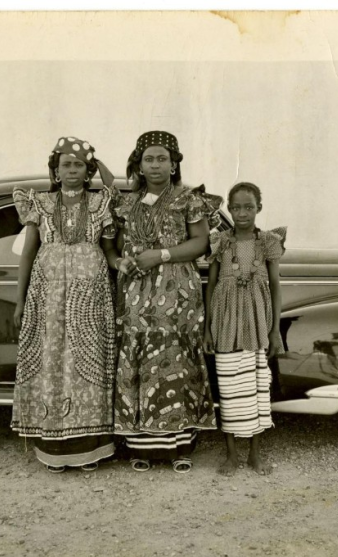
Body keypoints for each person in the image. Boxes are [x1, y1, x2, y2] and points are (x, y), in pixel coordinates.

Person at [99, 131, 222, 473]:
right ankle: (141, 445)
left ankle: (179, 445)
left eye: (162, 159)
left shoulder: (189, 199)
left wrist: (162, 255)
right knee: (138, 357)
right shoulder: (127, 202)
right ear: (138, 164)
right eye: (148, 159)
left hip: (177, 292)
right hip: (135, 294)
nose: (155, 165)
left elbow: (200, 243)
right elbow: (113, 248)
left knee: (174, 358)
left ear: (174, 163)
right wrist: (120, 262)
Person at [11, 136, 117, 473]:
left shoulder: (101, 203)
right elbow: (28, 252)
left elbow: (118, 198)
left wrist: (99, 165)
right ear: (55, 171)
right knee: (53, 363)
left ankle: (91, 451)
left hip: (91, 297)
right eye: (66, 164)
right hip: (48, 295)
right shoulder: (39, 203)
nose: (72, 170)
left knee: (90, 364)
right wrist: (20, 300)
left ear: (88, 171)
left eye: (79, 165)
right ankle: (54, 451)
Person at [204, 182, 285, 476]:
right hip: (225, 322)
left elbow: (275, 286)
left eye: (248, 207)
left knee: (255, 386)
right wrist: (207, 330)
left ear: (258, 208)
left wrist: (275, 330)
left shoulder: (268, 242)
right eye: (235, 207)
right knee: (228, 385)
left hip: (256, 321)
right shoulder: (220, 241)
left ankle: (254, 453)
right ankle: (231, 454)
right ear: (229, 208)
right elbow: (212, 285)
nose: (241, 213)